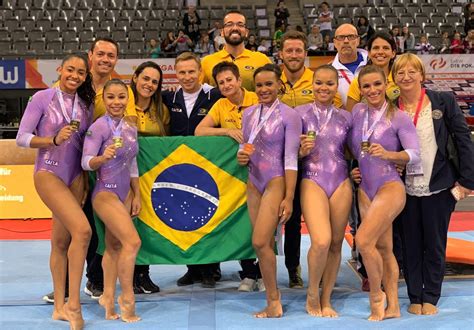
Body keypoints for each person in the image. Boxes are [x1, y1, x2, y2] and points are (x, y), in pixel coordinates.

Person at [17, 54, 95, 330]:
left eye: (81, 72)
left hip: (75, 177)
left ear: (86, 76)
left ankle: (59, 308)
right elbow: (22, 137)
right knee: (83, 232)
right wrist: (51, 139)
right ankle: (73, 303)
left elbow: (85, 147)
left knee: (60, 243)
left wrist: (84, 180)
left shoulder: (85, 105)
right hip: (48, 173)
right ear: (61, 70)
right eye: (70, 70)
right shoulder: (42, 98)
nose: (74, 76)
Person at [392, 53, 474, 316]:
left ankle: (431, 295)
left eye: (411, 71)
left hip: (439, 185)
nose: (406, 77)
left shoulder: (443, 101)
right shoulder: (391, 108)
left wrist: (467, 180)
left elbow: (463, 140)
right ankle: (415, 294)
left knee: (435, 243)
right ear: (394, 78)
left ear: (421, 75)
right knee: (410, 244)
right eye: (400, 72)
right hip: (404, 188)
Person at [350, 65, 420, 321]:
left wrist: (388, 155)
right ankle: (394, 306)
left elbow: (414, 153)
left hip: (390, 185)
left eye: (377, 84)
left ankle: (376, 296)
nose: (372, 90)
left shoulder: (398, 116)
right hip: (365, 188)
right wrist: (352, 171)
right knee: (383, 247)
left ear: (386, 84)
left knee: (364, 241)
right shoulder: (357, 113)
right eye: (366, 86)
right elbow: (350, 148)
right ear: (361, 89)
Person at [238, 63, 302, 317]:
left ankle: (274, 300)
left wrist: (289, 196)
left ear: (279, 85)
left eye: (269, 84)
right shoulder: (249, 114)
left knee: (260, 240)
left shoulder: (290, 116)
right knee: (261, 246)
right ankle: (272, 298)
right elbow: (246, 146)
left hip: (275, 180)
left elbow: (290, 159)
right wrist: (240, 155)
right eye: (259, 85)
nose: (264, 89)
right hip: (254, 181)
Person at [195, 62, 263, 292]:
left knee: (263, 223)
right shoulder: (221, 105)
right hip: (236, 175)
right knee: (242, 223)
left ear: (238, 79)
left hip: (264, 170)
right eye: (221, 82)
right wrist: (227, 130)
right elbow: (199, 131)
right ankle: (249, 273)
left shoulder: (256, 98)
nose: (226, 85)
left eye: (229, 80)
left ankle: (264, 273)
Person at [82, 79, 141, 323]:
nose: (116, 102)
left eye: (121, 97)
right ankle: (126, 298)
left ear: (128, 99)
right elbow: (85, 162)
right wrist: (101, 158)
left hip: (125, 192)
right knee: (133, 242)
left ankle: (107, 296)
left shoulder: (130, 126)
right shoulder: (98, 128)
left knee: (114, 246)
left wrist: (136, 193)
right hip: (105, 192)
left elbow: (133, 164)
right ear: (103, 100)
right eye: (111, 98)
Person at [296, 65, 352, 317]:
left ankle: (326, 297)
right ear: (312, 84)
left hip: (341, 180)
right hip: (312, 178)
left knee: (336, 243)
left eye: (330, 83)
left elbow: (354, 151)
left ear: (336, 85)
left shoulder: (346, 117)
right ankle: (311, 293)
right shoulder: (299, 114)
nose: (324, 88)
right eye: (319, 83)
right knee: (320, 240)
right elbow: (286, 153)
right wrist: (299, 152)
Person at [162, 52, 222, 287]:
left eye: (191, 72)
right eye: (182, 72)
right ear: (175, 74)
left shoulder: (214, 95)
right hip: (180, 168)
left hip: (209, 166)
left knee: (209, 218)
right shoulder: (169, 97)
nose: (187, 77)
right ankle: (193, 269)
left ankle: (210, 268)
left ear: (200, 73)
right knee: (186, 218)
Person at [278, 31, 315, 289]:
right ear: (281, 54)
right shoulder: (270, 81)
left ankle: (320, 265)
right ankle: (292, 268)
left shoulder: (319, 80)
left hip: (313, 160)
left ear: (305, 53)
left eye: (298, 50)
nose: (293, 55)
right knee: (286, 217)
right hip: (279, 161)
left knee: (315, 215)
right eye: (289, 51)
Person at [201, 10, 272, 92]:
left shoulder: (262, 60)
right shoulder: (207, 62)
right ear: (222, 32)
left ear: (246, 32)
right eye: (229, 24)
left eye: (240, 24)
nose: (235, 28)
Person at [346, 32, 398, 112]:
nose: (380, 52)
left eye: (386, 48)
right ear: (369, 53)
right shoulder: (357, 82)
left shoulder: (399, 80)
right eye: (376, 48)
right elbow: (350, 117)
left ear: (393, 53)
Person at [330, 23, 368, 109]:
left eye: (351, 36)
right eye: (341, 37)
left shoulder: (372, 63)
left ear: (358, 40)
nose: (346, 41)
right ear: (335, 43)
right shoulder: (329, 71)